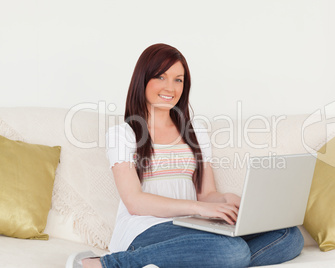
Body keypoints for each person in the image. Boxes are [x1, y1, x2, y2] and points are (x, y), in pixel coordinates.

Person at [66, 43, 304, 268]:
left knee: (288, 235)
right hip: (144, 228)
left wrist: (229, 202)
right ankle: (107, 264)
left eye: (178, 80)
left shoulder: (195, 131)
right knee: (232, 250)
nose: (171, 88)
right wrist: (200, 209)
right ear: (143, 80)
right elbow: (135, 202)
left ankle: (196, 261)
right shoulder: (123, 134)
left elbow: (207, 193)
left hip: (192, 226)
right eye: (161, 77)